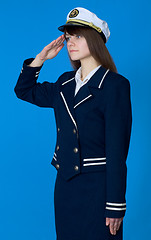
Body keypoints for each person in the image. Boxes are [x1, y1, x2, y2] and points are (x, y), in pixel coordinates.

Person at [14, 7, 132, 240]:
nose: (70, 43)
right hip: (66, 185)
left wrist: (115, 204)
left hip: (98, 189)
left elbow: (117, 151)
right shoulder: (64, 83)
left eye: (78, 36)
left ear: (96, 40)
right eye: (69, 37)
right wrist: (41, 59)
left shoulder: (114, 85)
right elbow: (24, 91)